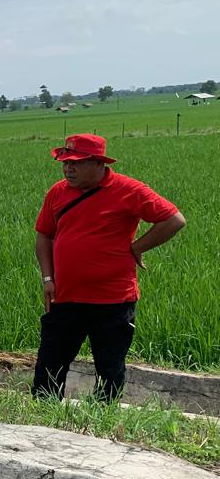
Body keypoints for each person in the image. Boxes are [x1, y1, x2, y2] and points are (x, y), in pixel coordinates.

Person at [31, 134, 185, 401]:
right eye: (65, 162)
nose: (68, 168)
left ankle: (104, 422)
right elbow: (44, 235)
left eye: (76, 163)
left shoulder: (129, 190)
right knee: (49, 366)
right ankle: (42, 418)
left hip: (113, 300)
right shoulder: (58, 192)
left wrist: (137, 247)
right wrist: (48, 277)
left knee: (110, 369)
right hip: (65, 296)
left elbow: (173, 219)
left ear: (98, 163)